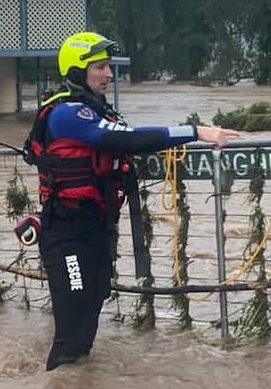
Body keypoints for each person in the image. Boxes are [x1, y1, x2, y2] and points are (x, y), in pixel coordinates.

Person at [21, 31, 242, 370]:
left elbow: (121, 137)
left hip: (97, 230)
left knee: (92, 309)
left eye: (109, 68)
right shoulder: (66, 113)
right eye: (102, 68)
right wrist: (196, 132)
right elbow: (124, 139)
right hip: (66, 234)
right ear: (80, 70)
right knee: (72, 325)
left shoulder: (98, 111)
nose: (109, 75)